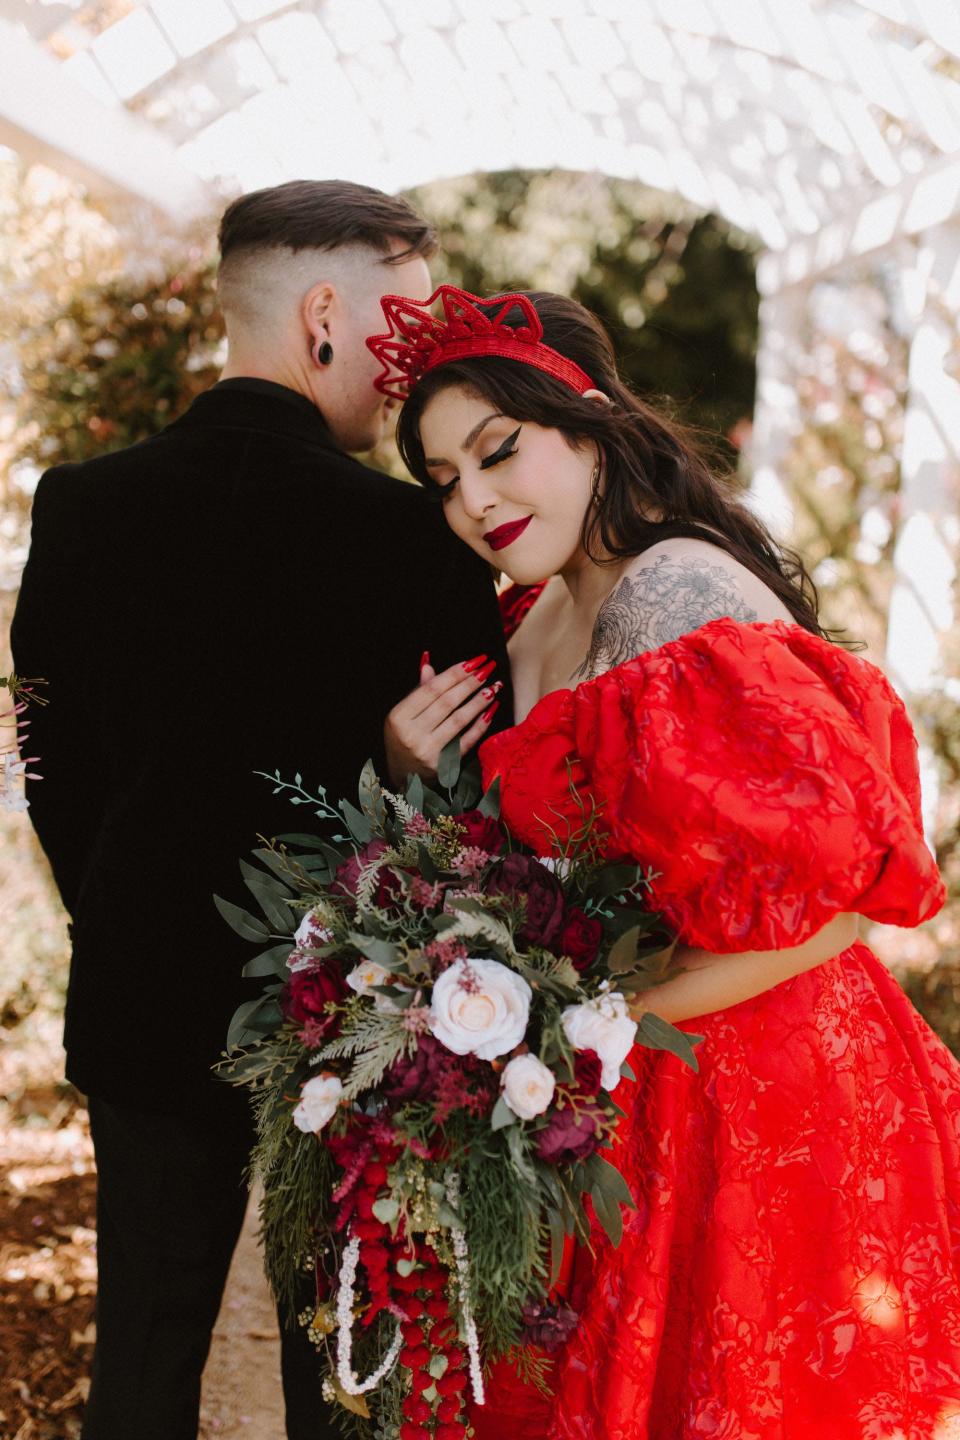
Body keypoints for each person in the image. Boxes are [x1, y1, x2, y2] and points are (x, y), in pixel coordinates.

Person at [372, 285, 960, 1438]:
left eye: (499, 452)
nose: (475, 498)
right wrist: (406, 759)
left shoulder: (678, 593)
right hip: (618, 1080)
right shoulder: (537, 608)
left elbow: (843, 908)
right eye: (445, 480)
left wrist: (587, 1021)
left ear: (588, 422)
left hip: (755, 1082)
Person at [10, 185, 509, 1440]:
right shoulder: (413, 534)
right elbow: (468, 793)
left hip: (138, 992)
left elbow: (45, 758)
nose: (407, 369)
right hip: (350, 1025)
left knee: (142, 1358)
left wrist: (117, 907)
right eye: (398, 323)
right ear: (324, 315)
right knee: (346, 1369)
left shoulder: (80, 501)